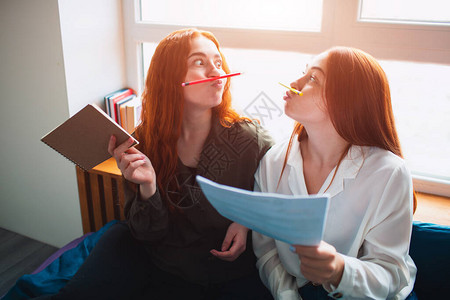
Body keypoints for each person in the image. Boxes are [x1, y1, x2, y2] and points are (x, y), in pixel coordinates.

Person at [35, 28, 273, 299]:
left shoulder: (247, 138)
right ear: (170, 77)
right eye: (199, 62)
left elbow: (279, 192)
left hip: (228, 271)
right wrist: (149, 188)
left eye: (218, 62)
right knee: (114, 242)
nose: (216, 72)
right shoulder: (144, 142)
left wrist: (246, 220)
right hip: (166, 265)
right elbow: (147, 234)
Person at [252, 47, 417, 300]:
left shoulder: (389, 173)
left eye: (313, 78)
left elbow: (390, 275)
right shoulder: (274, 160)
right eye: (303, 73)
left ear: (346, 100)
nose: (294, 83)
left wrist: (339, 271)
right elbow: (267, 250)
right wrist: (287, 295)